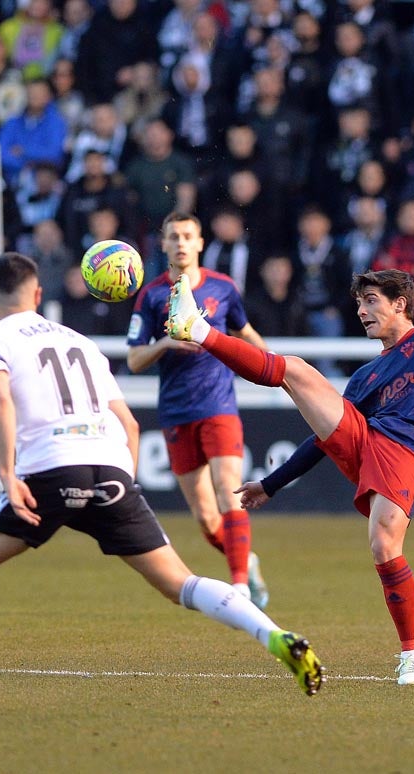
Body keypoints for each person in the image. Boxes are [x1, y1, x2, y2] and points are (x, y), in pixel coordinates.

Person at [0, 252, 323, 716]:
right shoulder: (81, 342)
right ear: (38, 295)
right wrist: (121, 491)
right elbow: (129, 424)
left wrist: (9, 475)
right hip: (110, 470)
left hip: (49, 470)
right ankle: (274, 634)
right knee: (182, 583)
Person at [162, 227, 414, 685]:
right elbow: (324, 438)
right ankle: (198, 329)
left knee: (383, 545)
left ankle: (413, 659)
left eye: (372, 300)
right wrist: (270, 484)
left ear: (401, 303)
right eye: (359, 304)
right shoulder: (364, 377)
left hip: (410, 451)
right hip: (367, 445)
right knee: (295, 369)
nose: (362, 311)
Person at [127, 213, 270, 610]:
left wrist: (274, 364)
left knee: (229, 490)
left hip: (219, 403)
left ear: (201, 243)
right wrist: (166, 344)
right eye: (174, 236)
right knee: (208, 518)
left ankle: (239, 585)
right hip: (176, 411)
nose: (181, 243)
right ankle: (248, 561)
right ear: (164, 245)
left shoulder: (224, 289)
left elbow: (244, 332)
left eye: (188, 235)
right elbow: (135, 359)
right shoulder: (152, 295)